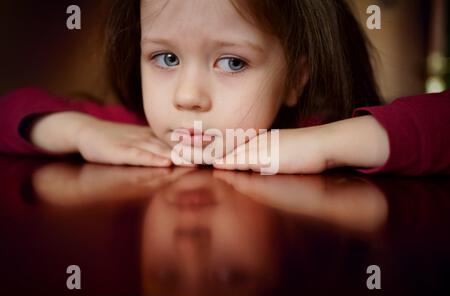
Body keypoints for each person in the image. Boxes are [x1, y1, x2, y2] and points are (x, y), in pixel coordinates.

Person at [0, 0, 449, 175]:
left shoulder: (315, 139)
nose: (187, 96)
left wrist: (329, 144)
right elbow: (9, 111)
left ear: (295, 79)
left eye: (232, 62)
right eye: (166, 58)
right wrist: (81, 132)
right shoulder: (132, 135)